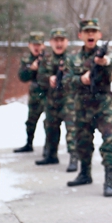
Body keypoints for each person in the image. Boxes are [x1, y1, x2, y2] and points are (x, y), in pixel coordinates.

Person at [64, 19, 112, 197]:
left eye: (94, 31)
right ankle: (84, 174)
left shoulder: (106, 53)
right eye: (87, 31)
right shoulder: (73, 58)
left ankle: (109, 182)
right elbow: (65, 81)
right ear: (80, 35)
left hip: (103, 106)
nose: (90, 34)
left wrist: (104, 61)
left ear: (99, 35)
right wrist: (81, 79)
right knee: (83, 142)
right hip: (82, 106)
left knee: (109, 141)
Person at [35, 28, 76, 166]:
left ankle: (74, 158)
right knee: (50, 128)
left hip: (69, 100)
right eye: (56, 40)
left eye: (61, 40)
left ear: (67, 42)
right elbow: (39, 78)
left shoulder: (73, 58)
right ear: (51, 42)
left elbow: (77, 77)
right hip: (52, 100)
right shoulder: (46, 59)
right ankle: (51, 155)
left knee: (72, 129)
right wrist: (49, 79)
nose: (59, 44)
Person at [14, 31, 47, 153]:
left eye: (39, 44)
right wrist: (31, 69)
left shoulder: (49, 57)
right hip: (35, 95)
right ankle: (29, 143)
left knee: (50, 122)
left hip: (49, 95)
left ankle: (50, 147)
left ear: (43, 45)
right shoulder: (27, 60)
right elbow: (22, 77)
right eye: (34, 44)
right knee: (31, 121)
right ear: (29, 45)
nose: (36, 47)